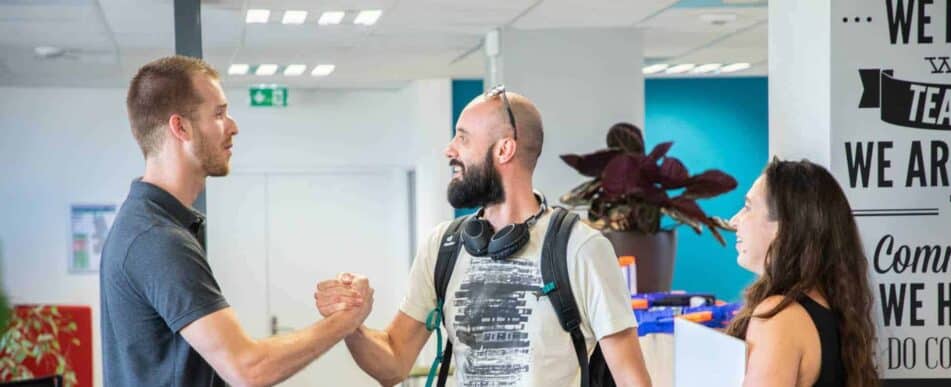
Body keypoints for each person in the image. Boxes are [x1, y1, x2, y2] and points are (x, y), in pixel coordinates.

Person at [315, 86, 652, 386]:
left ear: (504, 150)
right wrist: (350, 324)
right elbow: (393, 364)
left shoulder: (580, 248)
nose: (449, 150)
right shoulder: (443, 247)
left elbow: (632, 380)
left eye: (462, 138)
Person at [100, 55, 373, 387]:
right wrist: (347, 319)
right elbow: (249, 369)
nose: (233, 126)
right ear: (180, 127)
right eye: (218, 113)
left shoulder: (149, 225)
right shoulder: (157, 239)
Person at [727, 158, 878, 387]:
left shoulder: (778, 317)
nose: (734, 221)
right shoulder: (827, 306)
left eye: (748, 207)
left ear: (784, 227)